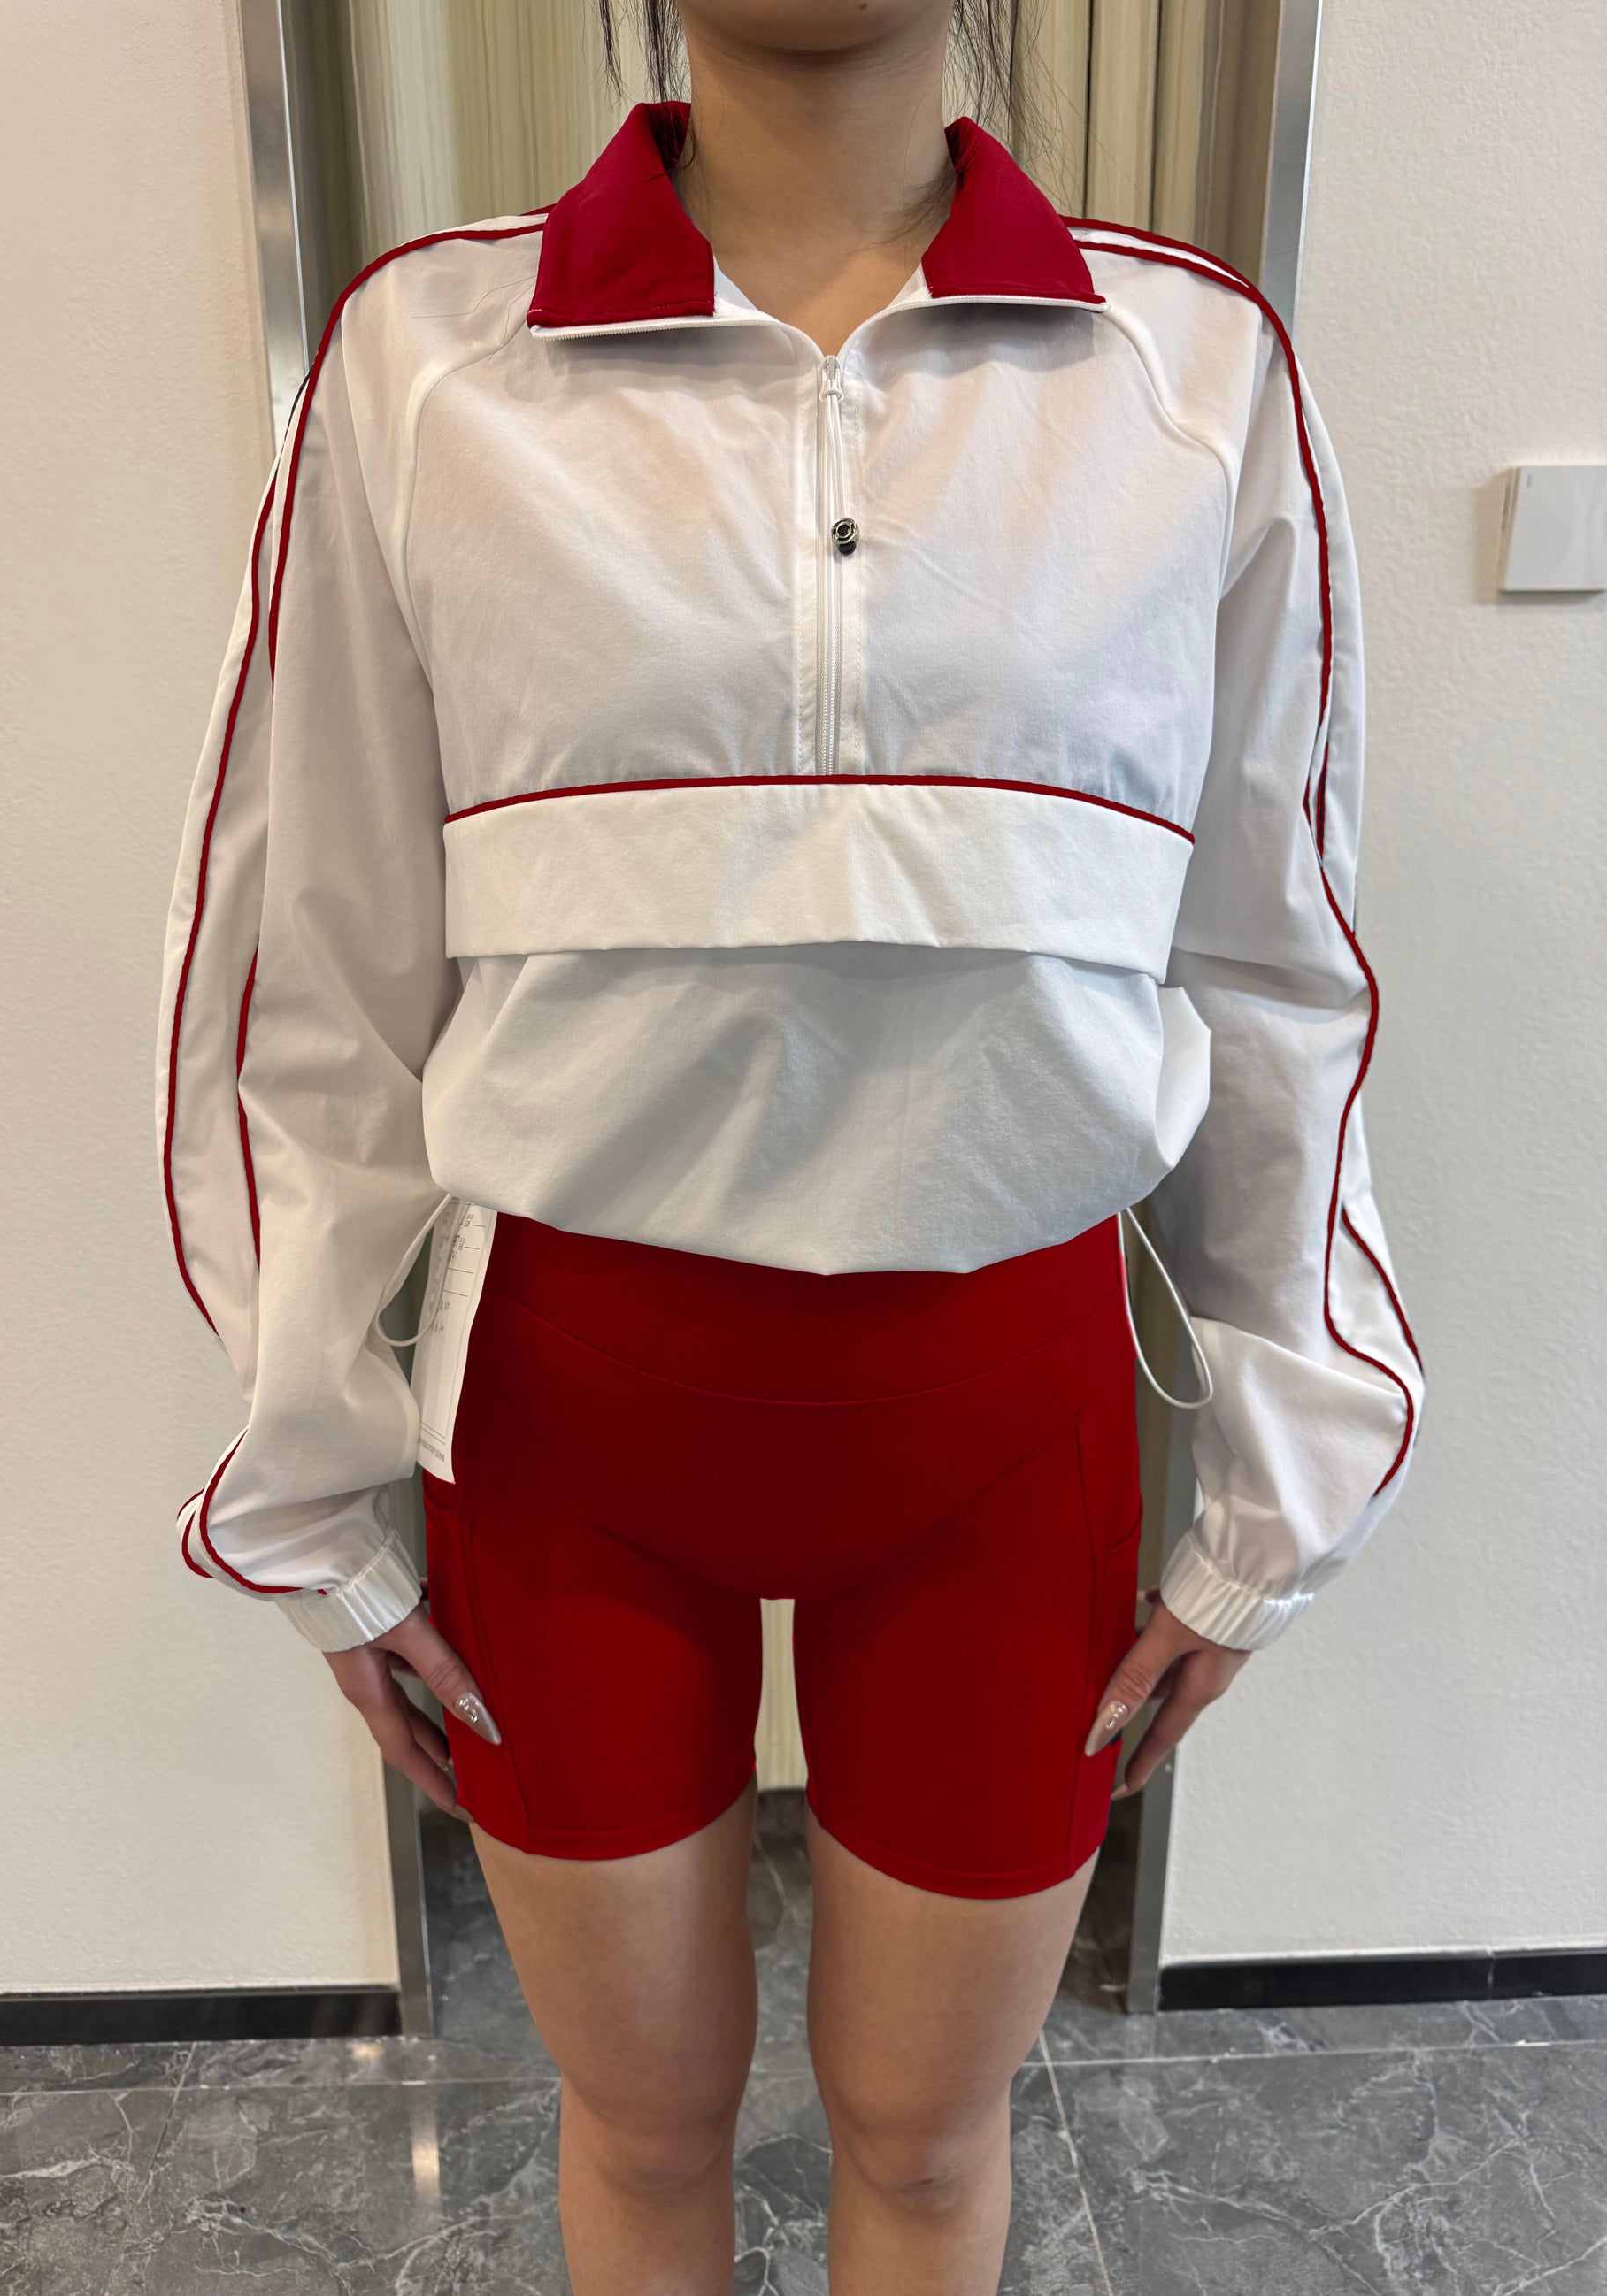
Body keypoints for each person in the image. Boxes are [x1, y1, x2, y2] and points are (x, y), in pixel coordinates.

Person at [157, 2, 1423, 2288]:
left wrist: (1278, 1480)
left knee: (924, 2150)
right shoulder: (428, 363)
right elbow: (310, 969)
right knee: (639, 2132)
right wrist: (310, 1480)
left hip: (999, 1426)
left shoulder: (1191, 374)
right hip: (568, 1421)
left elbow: (1273, 972)